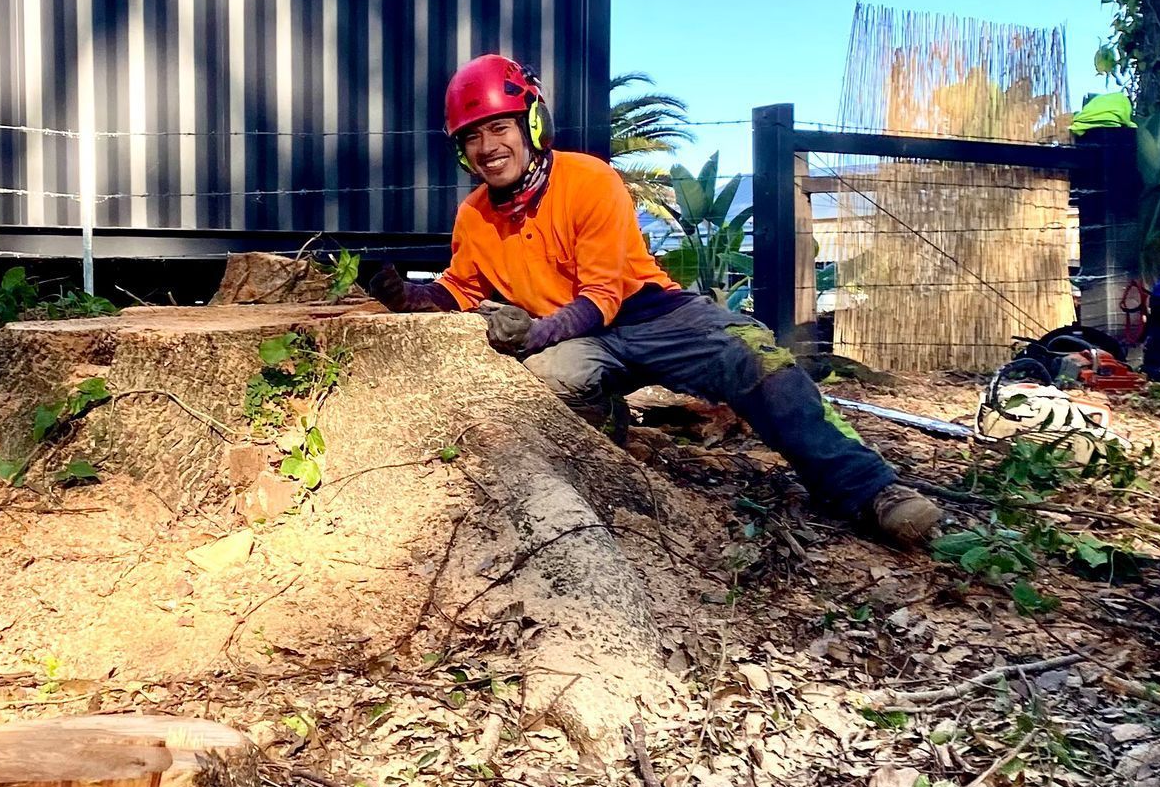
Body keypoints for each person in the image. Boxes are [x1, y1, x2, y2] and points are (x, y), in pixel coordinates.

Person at [368, 55, 939, 547]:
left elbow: (604, 296)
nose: (488, 148)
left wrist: (534, 332)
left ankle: (872, 489)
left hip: (650, 312)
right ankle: (605, 439)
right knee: (550, 380)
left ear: (531, 122)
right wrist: (402, 293)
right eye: (472, 136)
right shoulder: (475, 216)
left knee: (756, 356)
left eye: (498, 128)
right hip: (578, 340)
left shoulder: (589, 181)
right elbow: (459, 289)